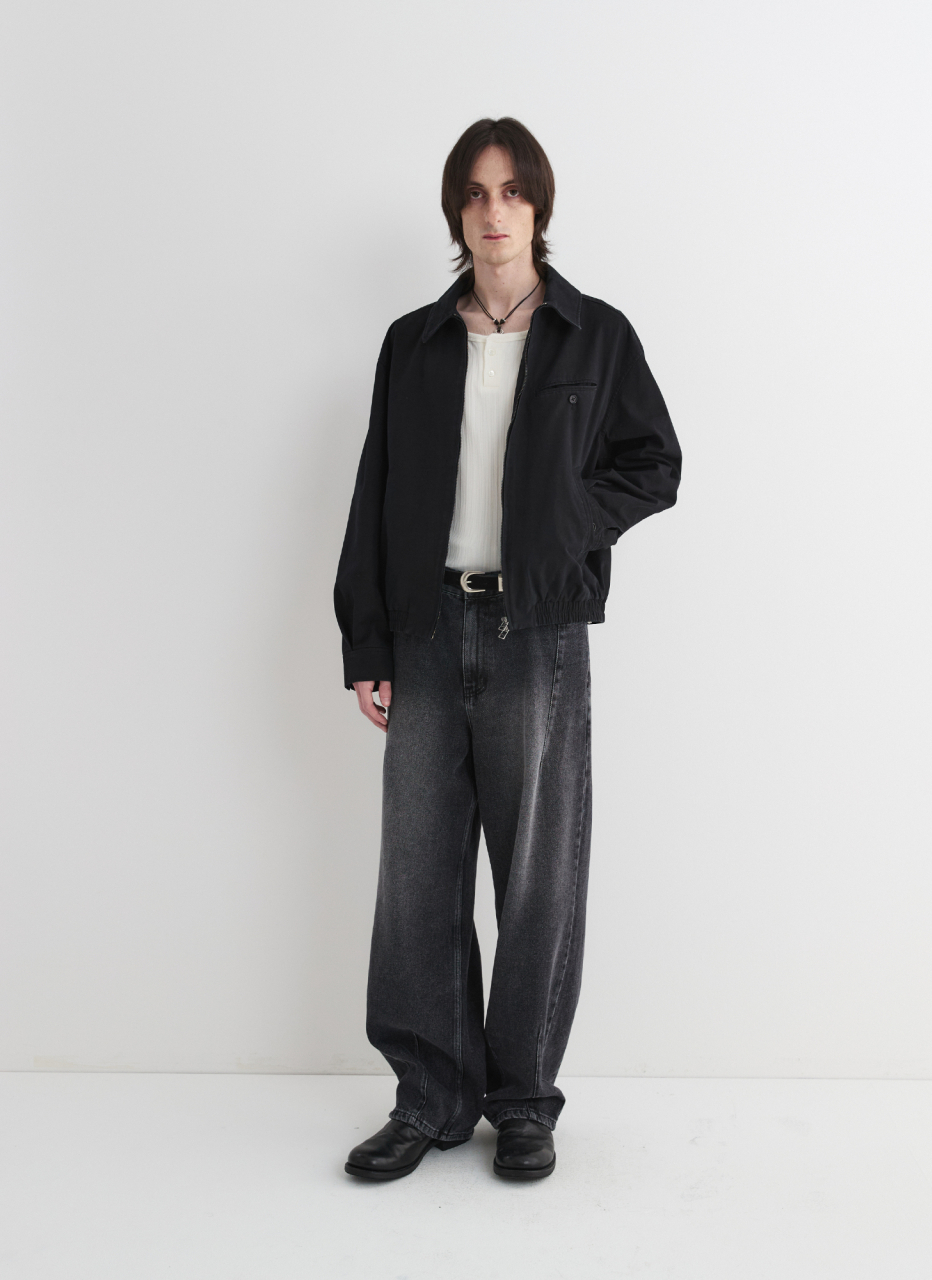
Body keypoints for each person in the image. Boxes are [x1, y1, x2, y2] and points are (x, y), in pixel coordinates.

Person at [334, 117, 681, 1181]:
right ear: (458, 211)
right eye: (476, 194)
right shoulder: (413, 343)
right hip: (427, 631)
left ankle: (523, 1101)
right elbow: (375, 494)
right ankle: (429, 1098)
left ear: (539, 206)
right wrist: (367, 642)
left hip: (538, 633)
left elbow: (654, 464)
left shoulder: (595, 336)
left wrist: (565, 523)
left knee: (537, 876)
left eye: (512, 192)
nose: (494, 212)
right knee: (417, 875)